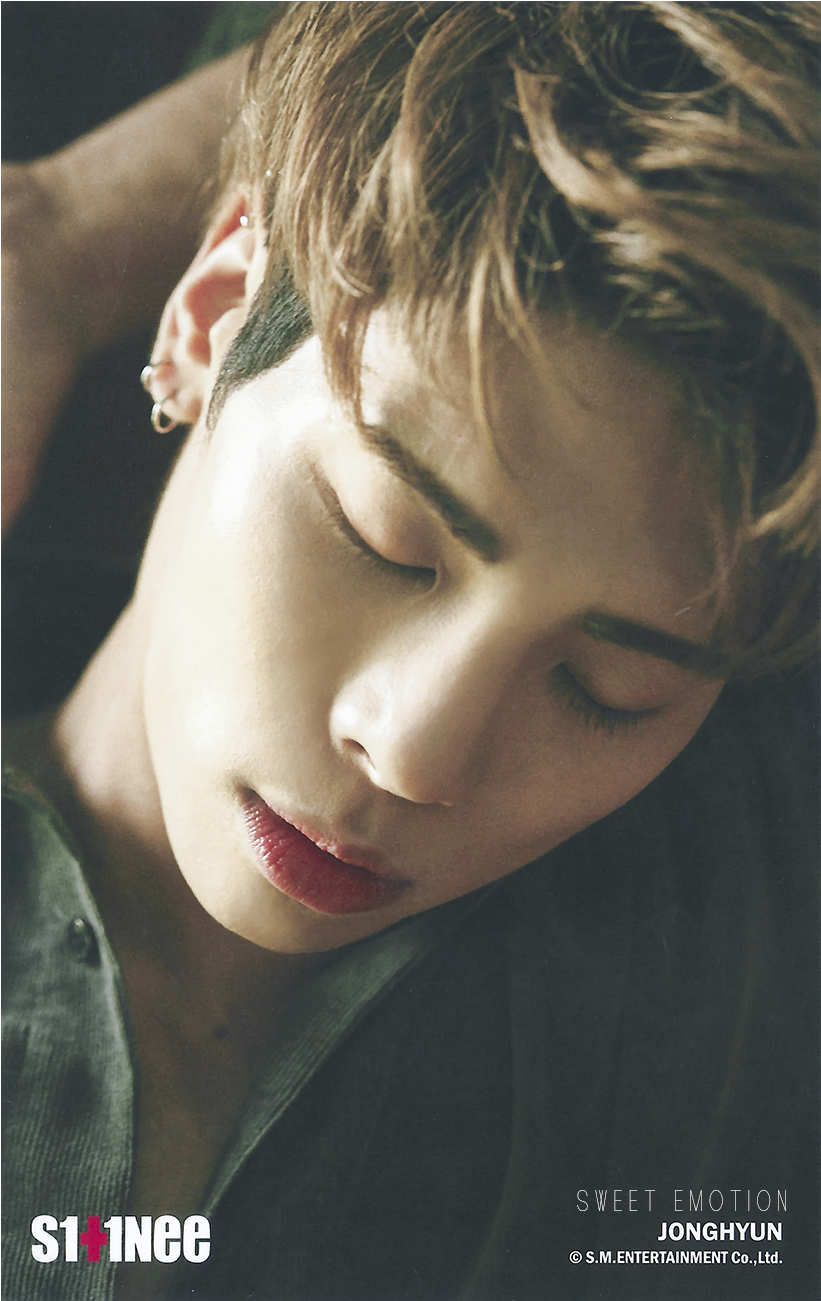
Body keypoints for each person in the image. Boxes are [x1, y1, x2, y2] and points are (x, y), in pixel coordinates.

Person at [3, 3, 819, 1300]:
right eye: (384, 541)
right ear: (211, 321)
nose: (417, 753)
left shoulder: (726, 1031)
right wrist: (45, 242)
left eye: (612, 689)